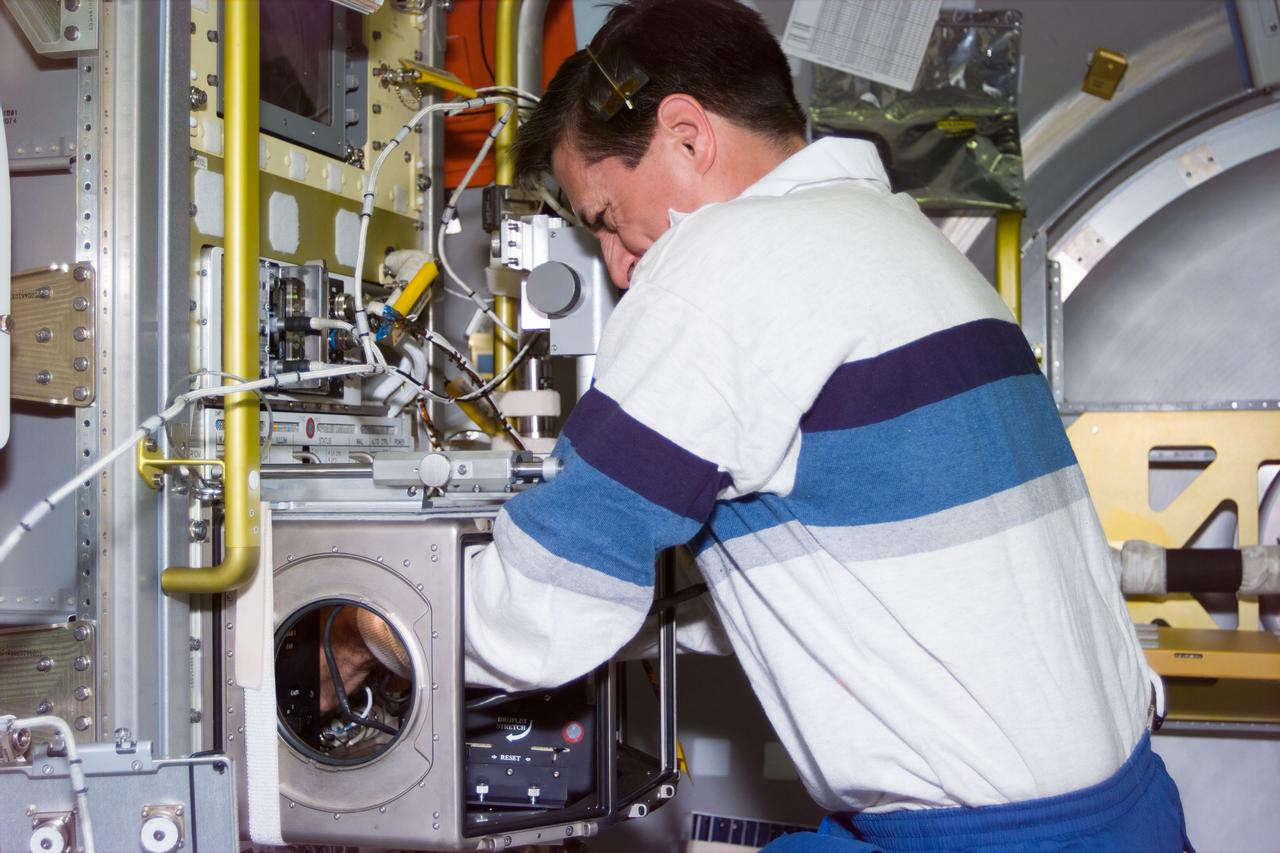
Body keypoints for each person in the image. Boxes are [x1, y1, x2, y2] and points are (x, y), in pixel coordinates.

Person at [462, 1, 1192, 850]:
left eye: (609, 220)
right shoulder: (905, 242)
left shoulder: (720, 266)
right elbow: (844, 551)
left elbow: (550, 605)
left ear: (688, 136)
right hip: (1129, 808)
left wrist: (377, 634)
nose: (620, 267)